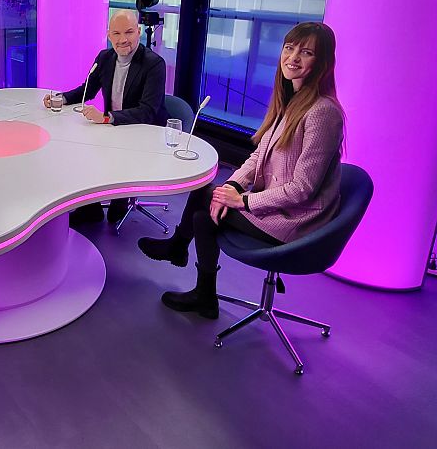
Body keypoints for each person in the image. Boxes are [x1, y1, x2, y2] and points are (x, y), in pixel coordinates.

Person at [138, 22, 344, 319]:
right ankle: (189, 269)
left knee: (204, 210)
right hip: (280, 206)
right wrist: (233, 187)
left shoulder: (323, 113)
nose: (293, 57)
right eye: (289, 48)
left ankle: (187, 264)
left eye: (306, 52)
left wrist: (243, 201)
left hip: (298, 220)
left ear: (322, 63)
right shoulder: (292, 102)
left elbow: (303, 189)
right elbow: (258, 156)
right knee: (208, 199)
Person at [45, 9, 167, 224]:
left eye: (129, 32)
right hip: (113, 127)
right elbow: (87, 90)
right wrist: (61, 98)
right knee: (79, 150)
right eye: (116, 34)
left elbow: (148, 110)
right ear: (109, 35)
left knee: (114, 215)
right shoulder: (105, 57)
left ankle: (120, 195)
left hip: (143, 132)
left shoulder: (154, 64)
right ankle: (90, 208)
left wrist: (107, 117)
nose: (123, 40)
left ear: (138, 32)